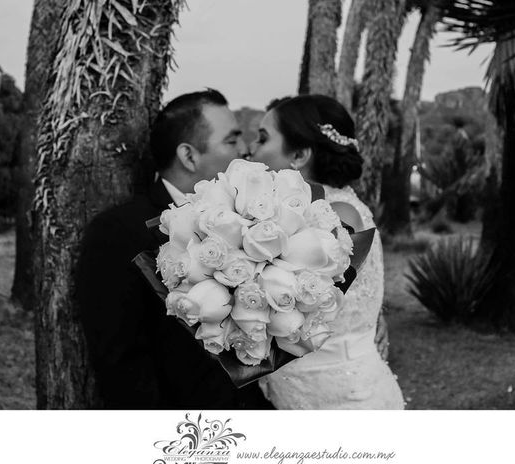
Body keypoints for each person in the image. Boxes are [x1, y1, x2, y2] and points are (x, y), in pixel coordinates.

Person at [75, 89, 273, 409]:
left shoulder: (250, 223)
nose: (246, 150)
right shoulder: (118, 232)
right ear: (189, 156)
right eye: (231, 140)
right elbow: (121, 364)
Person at [249, 94, 404, 409]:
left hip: (339, 397)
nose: (252, 149)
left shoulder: (337, 213)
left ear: (300, 154)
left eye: (263, 138)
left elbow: (303, 304)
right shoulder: (304, 209)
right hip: (297, 387)